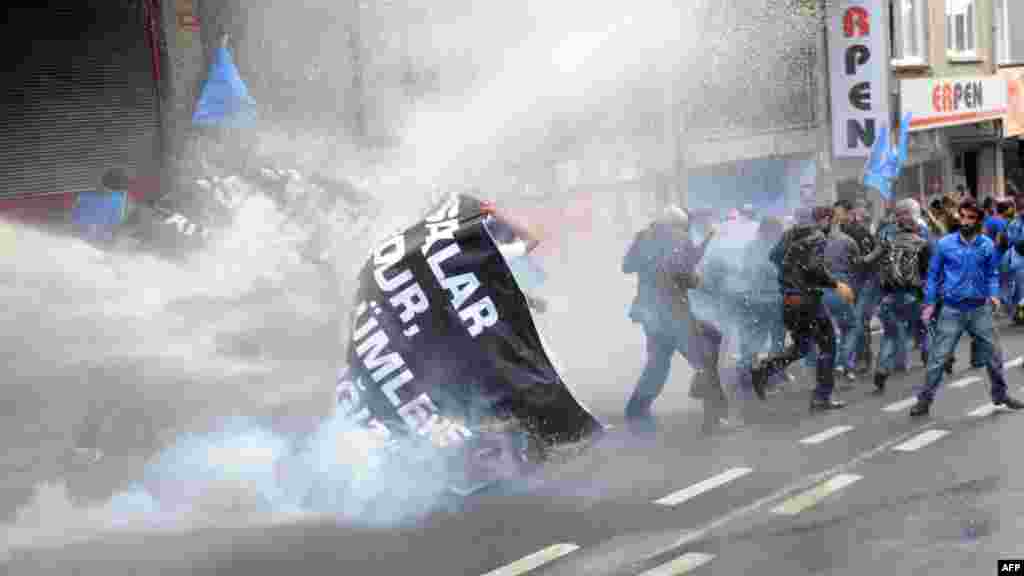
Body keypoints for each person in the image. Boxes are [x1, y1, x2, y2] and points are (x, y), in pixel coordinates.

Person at [911, 198, 1024, 417]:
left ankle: (1000, 394)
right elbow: (933, 275)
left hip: (980, 309)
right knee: (938, 359)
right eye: (962, 216)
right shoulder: (945, 244)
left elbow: (992, 274)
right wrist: (930, 302)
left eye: (970, 218)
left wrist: (993, 295)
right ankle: (924, 400)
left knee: (994, 355)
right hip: (952, 309)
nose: (965, 221)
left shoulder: (987, 245)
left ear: (979, 220)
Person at [623, 206, 730, 435]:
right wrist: (697, 281)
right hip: (672, 310)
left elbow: (627, 266)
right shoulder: (680, 238)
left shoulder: (644, 237)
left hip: (650, 312)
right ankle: (714, 418)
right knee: (705, 357)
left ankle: (636, 409)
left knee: (658, 362)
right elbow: (682, 273)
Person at [750, 206, 856, 411]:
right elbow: (815, 268)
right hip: (807, 299)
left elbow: (774, 256)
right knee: (828, 346)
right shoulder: (818, 238)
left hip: (789, 299)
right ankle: (821, 397)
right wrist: (836, 285)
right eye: (833, 221)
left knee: (801, 347)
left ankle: (764, 370)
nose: (833, 226)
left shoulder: (791, 233)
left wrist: (791, 274)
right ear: (825, 220)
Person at [872, 199, 931, 394]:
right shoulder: (921, 237)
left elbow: (875, 263)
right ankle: (929, 357)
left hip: (889, 295)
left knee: (890, 334)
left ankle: (882, 368)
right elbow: (930, 269)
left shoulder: (885, 236)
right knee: (923, 326)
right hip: (913, 294)